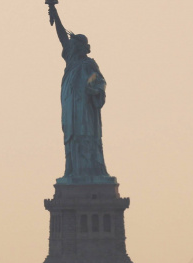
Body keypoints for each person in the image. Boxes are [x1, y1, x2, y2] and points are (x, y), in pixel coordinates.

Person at [48, 2, 112, 183]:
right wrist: (54, 11)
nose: (70, 47)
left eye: (74, 45)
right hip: (70, 107)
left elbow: (100, 82)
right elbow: (61, 36)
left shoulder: (88, 64)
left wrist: (94, 89)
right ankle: (73, 171)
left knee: (85, 136)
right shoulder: (71, 60)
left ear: (81, 47)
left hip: (84, 110)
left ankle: (91, 171)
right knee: (71, 136)